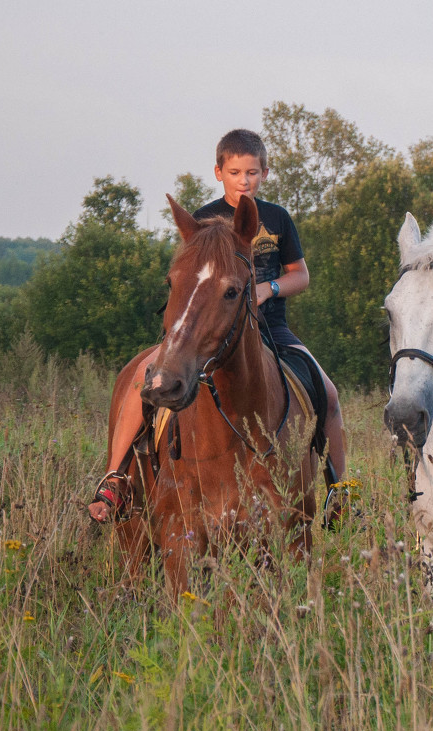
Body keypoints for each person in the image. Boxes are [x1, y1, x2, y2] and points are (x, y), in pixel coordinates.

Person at [88, 128, 347, 521]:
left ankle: (339, 492)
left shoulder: (277, 219)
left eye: (253, 172)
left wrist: (268, 288)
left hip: (269, 329)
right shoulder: (205, 221)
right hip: (204, 329)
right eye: (235, 172)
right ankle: (116, 478)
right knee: (144, 377)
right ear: (218, 172)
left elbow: (301, 276)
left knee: (327, 392)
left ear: (265, 172)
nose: (244, 180)